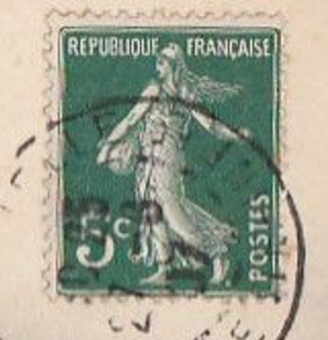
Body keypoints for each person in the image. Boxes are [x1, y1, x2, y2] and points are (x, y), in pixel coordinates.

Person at [96, 43, 247, 286]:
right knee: (152, 212)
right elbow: (131, 120)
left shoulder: (187, 94)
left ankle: (217, 252)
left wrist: (235, 135)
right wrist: (108, 146)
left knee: (174, 216)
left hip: (168, 159)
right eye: (158, 61)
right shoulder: (153, 90)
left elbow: (210, 124)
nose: (158, 65)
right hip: (147, 158)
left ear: (175, 66)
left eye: (163, 61)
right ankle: (165, 268)